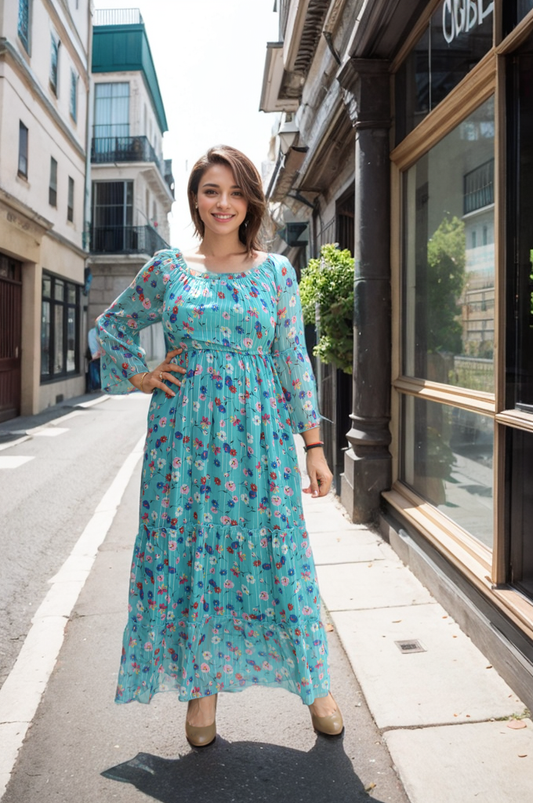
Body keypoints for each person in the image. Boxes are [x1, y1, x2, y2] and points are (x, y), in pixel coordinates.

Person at [97, 145, 342, 748]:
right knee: (191, 553)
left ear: (250, 201)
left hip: (258, 440)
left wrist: (313, 444)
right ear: (196, 200)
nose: (223, 203)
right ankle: (200, 690)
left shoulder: (277, 272)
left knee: (276, 551)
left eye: (234, 192)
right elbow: (113, 325)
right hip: (181, 441)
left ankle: (316, 685)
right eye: (211, 191)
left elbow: (293, 362)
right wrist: (142, 373)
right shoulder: (168, 269)